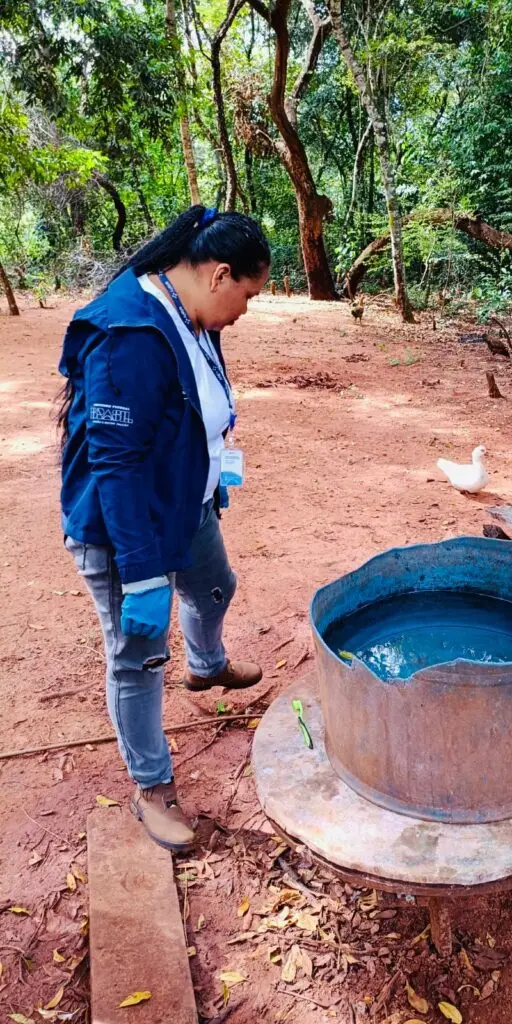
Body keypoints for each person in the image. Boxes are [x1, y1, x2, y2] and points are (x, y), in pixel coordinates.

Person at [58, 205, 271, 852]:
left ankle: (206, 665)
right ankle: (152, 788)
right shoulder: (130, 333)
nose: (246, 311)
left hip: (186, 502)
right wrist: (144, 573)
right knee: (138, 657)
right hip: (124, 530)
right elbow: (114, 464)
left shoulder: (193, 313)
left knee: (214, 586)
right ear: (220, 274)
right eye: (249, 296)